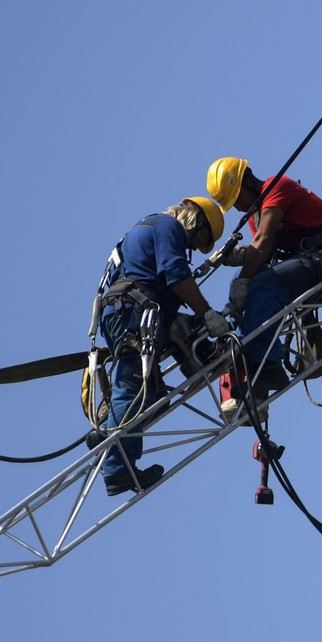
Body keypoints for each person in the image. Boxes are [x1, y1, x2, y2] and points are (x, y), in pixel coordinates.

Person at [97, 198, 232, 495]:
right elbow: (175, 273)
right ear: (195, 220)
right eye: (201, 238)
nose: (195, 248)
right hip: (134, 314)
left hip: (124, 312)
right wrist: (206, 312)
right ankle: (119, 468)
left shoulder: (144, 229)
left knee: (155, 395)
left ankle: (107, 432)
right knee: (133, 389)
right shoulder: (167, 226)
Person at [205, 158, 322, 401]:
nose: (238, 208)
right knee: (246, 282)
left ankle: (268, 367)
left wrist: (245, 277)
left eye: (236, 199)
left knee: (261, 285)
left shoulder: (277, 186)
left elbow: (263, 243)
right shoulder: (256, 216)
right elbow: (261, 253)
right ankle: (251, 364)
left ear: (246, 182)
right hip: (306, 266)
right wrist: (237, 286)